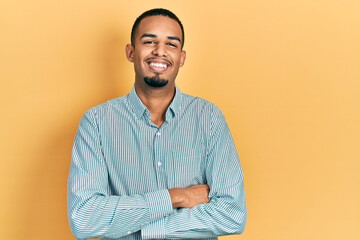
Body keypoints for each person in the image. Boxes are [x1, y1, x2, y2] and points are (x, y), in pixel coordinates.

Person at [67, 8, 247, 240]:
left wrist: (142, 228)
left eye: (171, 44)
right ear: (131, 52)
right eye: (149, 41)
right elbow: (84, 218)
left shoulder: (209, 118)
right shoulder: (96, 123)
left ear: (181, 58)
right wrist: (176, 197)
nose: (160, 51)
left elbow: (232, 214)